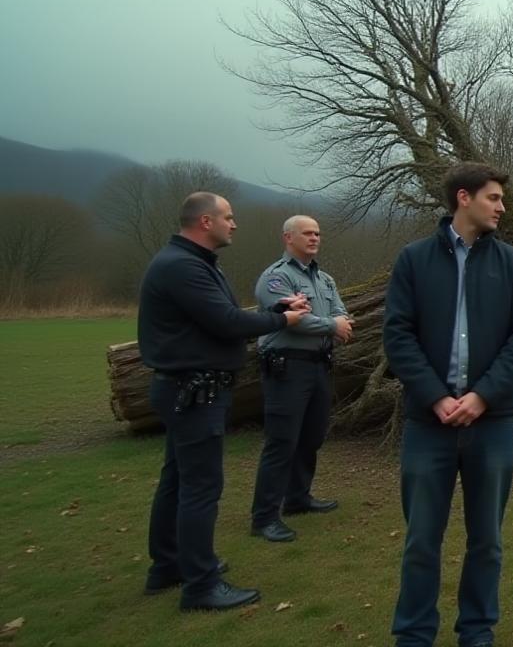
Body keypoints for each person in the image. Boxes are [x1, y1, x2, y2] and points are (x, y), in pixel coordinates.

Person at [385, 162, 513, 647]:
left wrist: (481, 395)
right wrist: (434, 397)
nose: (502, 207)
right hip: (427, 427)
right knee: (421, 542)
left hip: (491, 424)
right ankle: (413, 635)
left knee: (487, 542)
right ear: (464, 198)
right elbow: (398, 335)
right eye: (494, 197)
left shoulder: (512, 263)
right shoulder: (413, 260)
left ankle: (476, 633)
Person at [138, 192, 310, 611]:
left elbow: (216, 314)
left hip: (187, 390)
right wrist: (281, 319)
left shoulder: (189, 264)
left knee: (178, 480)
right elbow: (227, 322)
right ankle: (200, 585)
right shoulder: (182, 267)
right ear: (203, 222)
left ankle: (169, 566)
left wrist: (275, 308)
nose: (234, 225)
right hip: (194, 391)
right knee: (200, 487)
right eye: (227, 218)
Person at [249, 215, 353, 543]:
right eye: (307, 233)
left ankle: (297, 498)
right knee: (282, 441)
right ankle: (264, 517)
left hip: (319, 365)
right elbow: (291, 319)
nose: (314, 238)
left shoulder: (325, 279)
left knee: (312, 436)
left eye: (317, 233)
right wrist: (331, 326)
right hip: (287, 368)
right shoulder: (275, 278)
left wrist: (336, 322)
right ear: (287, 238)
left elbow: (341, 312)